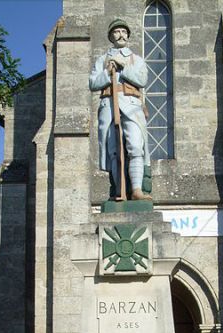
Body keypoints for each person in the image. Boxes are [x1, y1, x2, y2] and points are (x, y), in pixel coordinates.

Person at [89, 19, 151, 201]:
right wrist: (108, 72)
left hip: (131, 105)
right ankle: (118, 190)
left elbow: (142, 80)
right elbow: (92, 83)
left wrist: (123, 68)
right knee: (113, 151)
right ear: (111, 36)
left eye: (124, 31)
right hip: (109, 106)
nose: (121, 34)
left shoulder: (136, 60)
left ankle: (137, 190)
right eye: (117, 32)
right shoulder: (102, 60)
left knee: (135, 147)